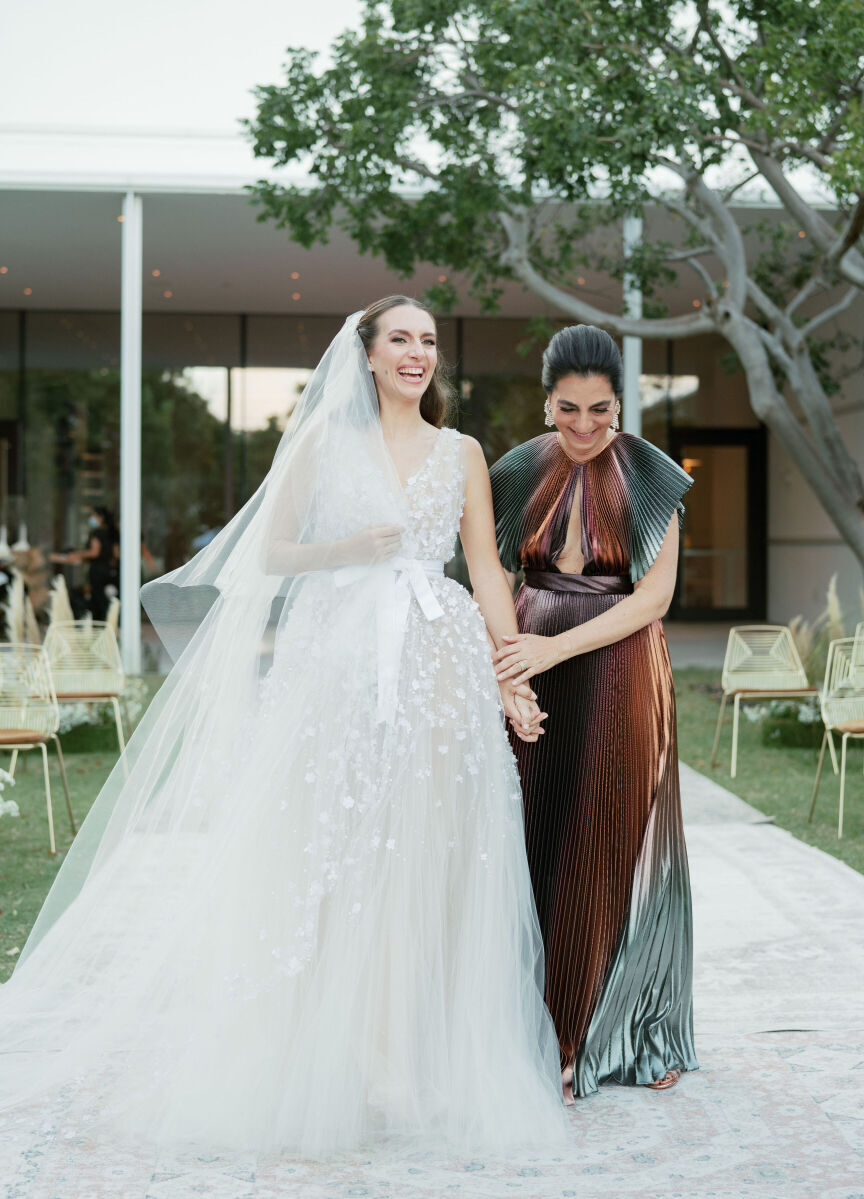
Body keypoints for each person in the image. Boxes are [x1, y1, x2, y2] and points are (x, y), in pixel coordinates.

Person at [0, 299, 566, 1159]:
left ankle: (412, 1057)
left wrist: (510, 668)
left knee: (430, 857)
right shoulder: (319, 447)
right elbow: (267, 555)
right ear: (367, 356)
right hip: (336, 660)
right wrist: (349, 550)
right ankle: (338, 1056)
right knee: (332, 854)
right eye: (401, 340)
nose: (417, 355)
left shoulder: (463, 454)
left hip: (435, 663)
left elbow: (486, 566)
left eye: (428, 343)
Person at [489, 324, 698, 1104]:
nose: (583, 426)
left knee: (605, 837)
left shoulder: (652, 474)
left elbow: (654, 597)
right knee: (531, 833)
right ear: (547, 402)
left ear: (622, 404)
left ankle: (599, 1031)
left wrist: (555, 650)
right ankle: (533, 1023)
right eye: (569, 408)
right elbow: (493, 574)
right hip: (531, 665)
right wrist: (513, 662)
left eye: (600, 411)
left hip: (617, 665)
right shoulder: (514, 470)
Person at [51, 505, 118, 620]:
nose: (91, 518)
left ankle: (100, 622)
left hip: (97, 571)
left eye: (93, 515)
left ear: (100, 517)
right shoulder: (112, 533)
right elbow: (116, 554)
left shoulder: (97, 533)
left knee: (98, 599)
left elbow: (94, 552)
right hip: (109, 570)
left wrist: (77, 554)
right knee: (106, 599)